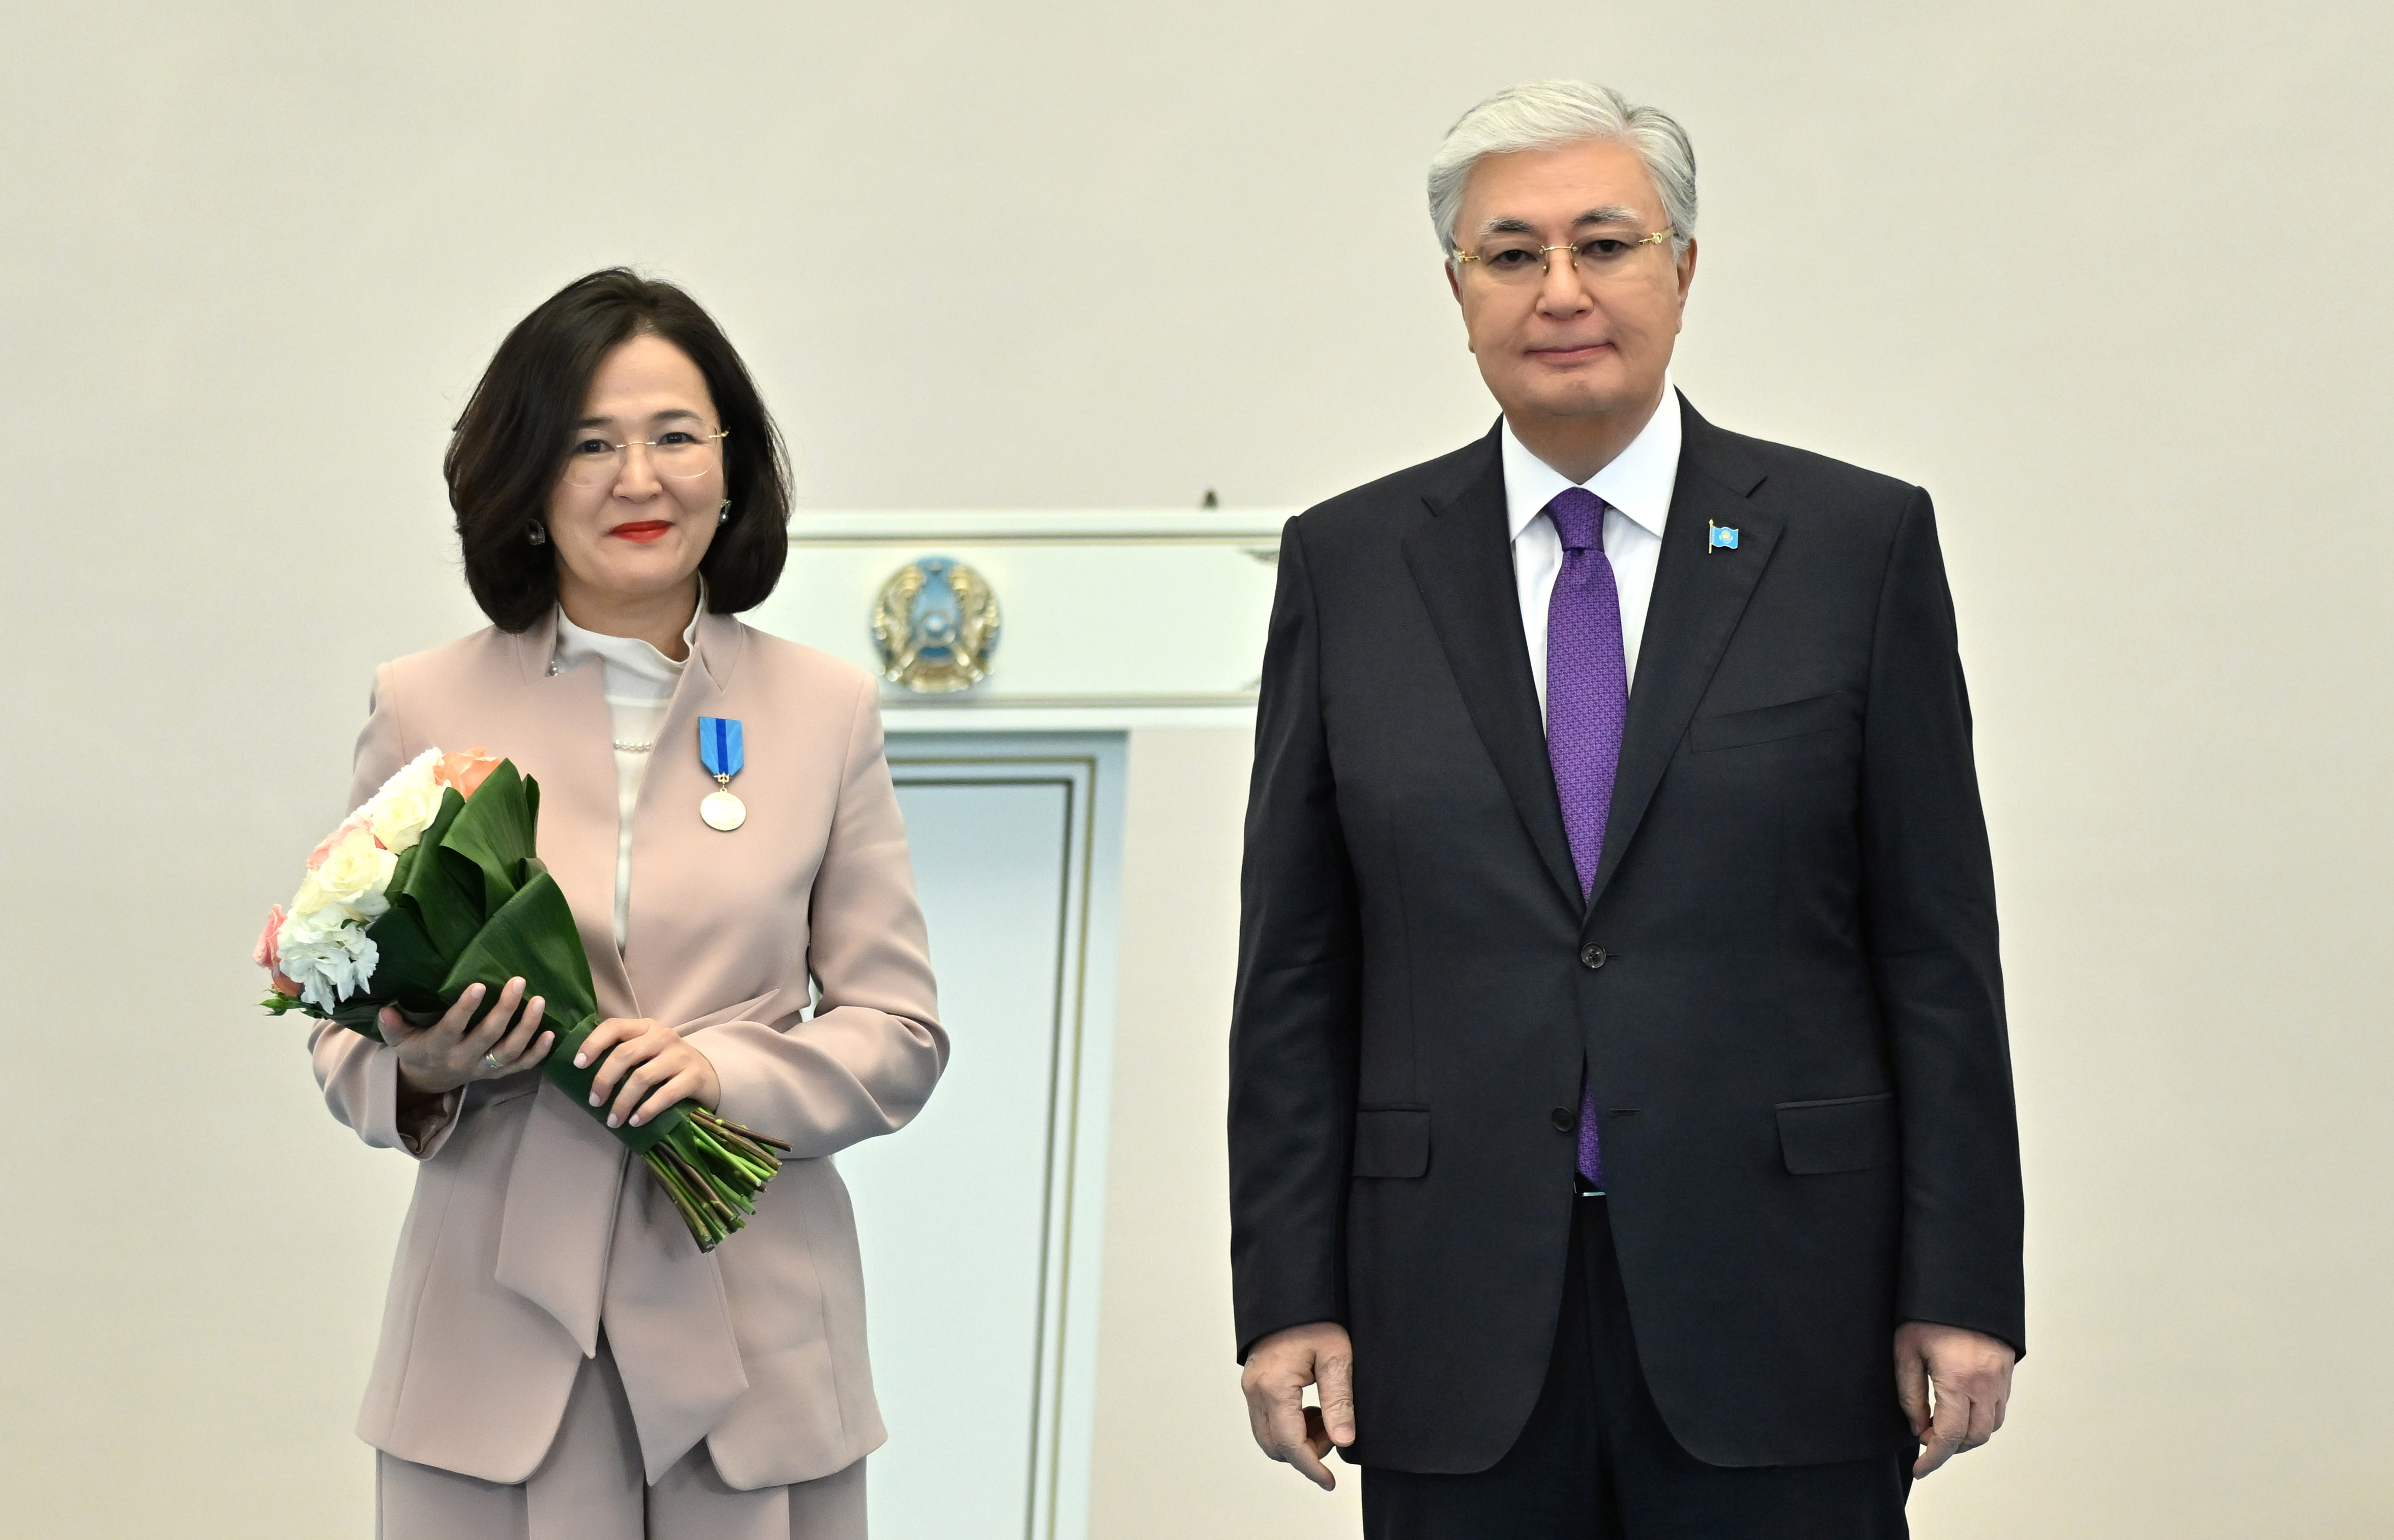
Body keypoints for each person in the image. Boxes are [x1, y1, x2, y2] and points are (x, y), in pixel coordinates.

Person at [1229, 81, 2024, 1537]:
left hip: (1787, 1300)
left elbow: (1936, 950)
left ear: (1684, 267)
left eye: (1604, 244)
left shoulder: (1852, 546)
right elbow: (1295, 968)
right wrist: (1287, 1295)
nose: (1561, 290)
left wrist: (1963, 1281)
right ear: (1457, 289)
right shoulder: (1348, 564)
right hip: (1448, 1311)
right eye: (1510, 253)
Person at [310, 269, 946, 1539]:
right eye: (590, 443)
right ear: (528, 478)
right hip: (493, 1338)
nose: (637, 479)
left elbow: (899, 1031)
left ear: (732, 467)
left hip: (757, 1336)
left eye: (674, 436)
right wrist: (423, 1066)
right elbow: (342, 1019)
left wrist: (723, 1073)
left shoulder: (825, 708)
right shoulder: (424, 702)